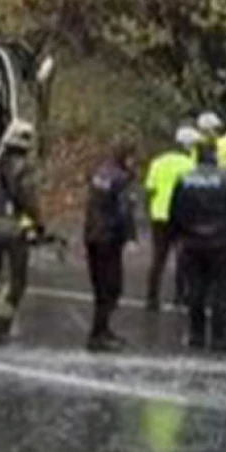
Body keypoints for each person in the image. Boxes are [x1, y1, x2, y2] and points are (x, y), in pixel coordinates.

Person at [171, 139, 226, 352]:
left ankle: (196, 334)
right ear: (214, 155)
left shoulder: (184, 178)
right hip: (221, 242)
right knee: (220, 289)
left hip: (191, 241)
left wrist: (177, 236)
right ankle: (219, 336)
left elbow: (175, 211)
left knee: (195, 289)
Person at [0, 120, 46, 341]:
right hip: (10, 229)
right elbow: (27, 198)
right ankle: (0, 323)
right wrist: (39, 223)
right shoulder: (22, 166)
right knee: (18, 279)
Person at [83, 142, 138, 351]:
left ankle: (101, 330)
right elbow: (124, 211)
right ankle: (99, 333)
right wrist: (130, 237)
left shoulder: (99, 174)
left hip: (92, 235)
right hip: (109, 237)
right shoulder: (120, 179)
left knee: (100, 288)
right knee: (112, 288)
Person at [145, 125, 199, 311]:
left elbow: (150, 189)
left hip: (159, 214)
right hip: (180, 216)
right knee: (182, 256)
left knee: (158, 258)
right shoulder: (189, 165)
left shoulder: (158, 161)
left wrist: (151, 209)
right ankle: (180, 296)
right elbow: (193, 193)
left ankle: (152, 298)